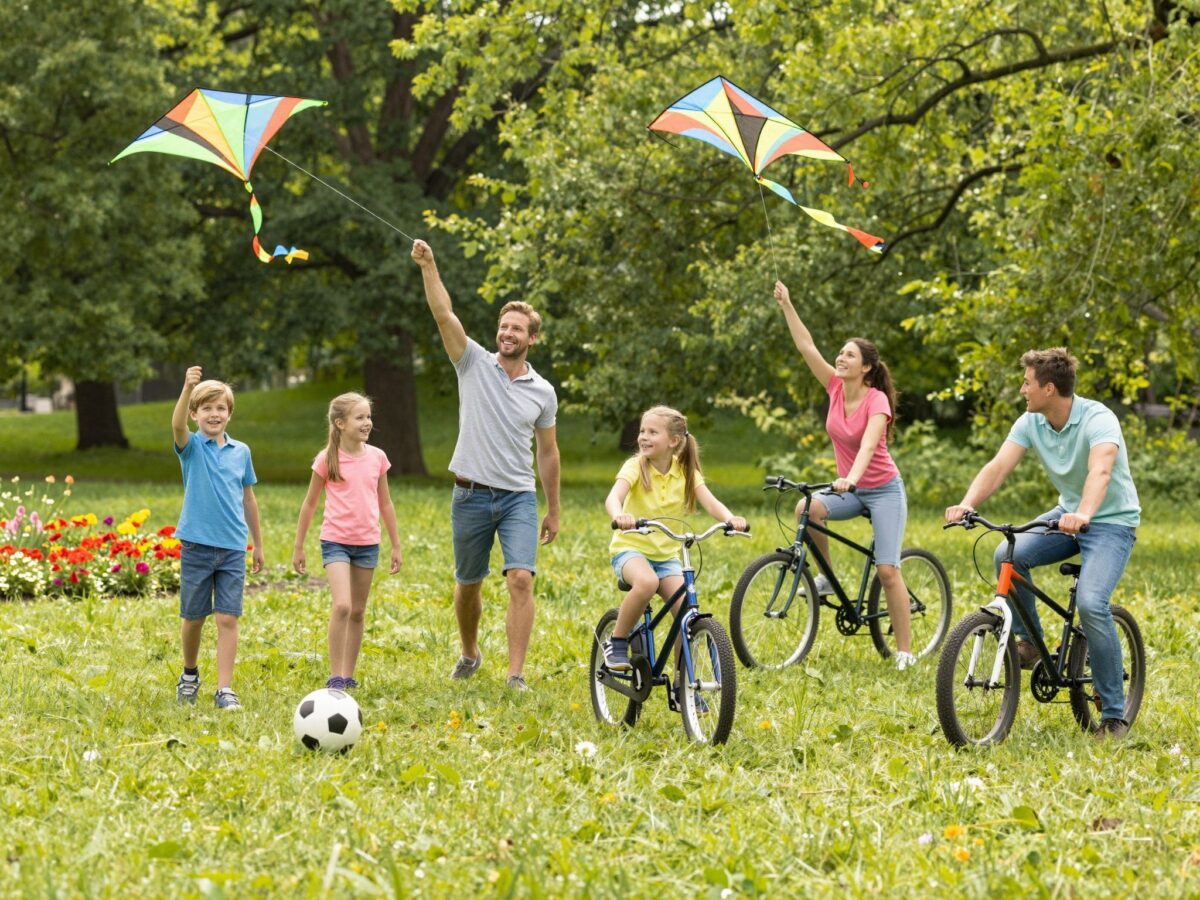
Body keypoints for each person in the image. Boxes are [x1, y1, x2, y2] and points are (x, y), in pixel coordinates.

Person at [945, 348, 1140, 741]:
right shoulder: (1032, 421)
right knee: (1007, 555)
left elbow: (1100, 469)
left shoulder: (1098, 418)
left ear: (1049, 388)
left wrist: (1083, 514)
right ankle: (1031, 644)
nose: (1022, 389)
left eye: (1027, 383)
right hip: (1067, 514)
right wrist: (968, 503)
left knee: (1090, 603)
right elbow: (998, 466)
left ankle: (1114, 714)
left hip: (1111, 522)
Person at [411, 238, 561, 692]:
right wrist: (429, 266)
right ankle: (470, 653)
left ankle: (515, 675)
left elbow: (548, 452)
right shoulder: (471, 362)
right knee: (468, 584)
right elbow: (444, 315)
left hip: (517, 498)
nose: (507, 333)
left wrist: (553, 508)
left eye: (517, 329)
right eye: (504, 326)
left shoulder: (543, 391)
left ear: (532, 338)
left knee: (520, 579)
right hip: (470, 494)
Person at [773, 280, 917, 670]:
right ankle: (825, 578)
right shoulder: (835, 388)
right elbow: (806, 347)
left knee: (888, 570)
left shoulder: (877, 399)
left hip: (882, 489)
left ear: (866, 367)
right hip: (850, 489)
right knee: (808, 508)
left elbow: (870, 445)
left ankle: (904, 650)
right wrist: (788, 304)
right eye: (840, 353)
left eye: (849, 355)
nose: (840, 358)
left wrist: (851, 478)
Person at [602, 406, 747, 700]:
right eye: (642, 431)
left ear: (674, 441)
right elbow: (613, 497)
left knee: (686, 613)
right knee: (646, 583)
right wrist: (620, 516)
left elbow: (710, 502)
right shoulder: (635, 466)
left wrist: (730, 519)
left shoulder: (685, 471)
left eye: (652, 432)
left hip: (666, 555)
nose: (643, 437)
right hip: (631, 548)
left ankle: (684, 682)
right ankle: (617, 641)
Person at [292, 392, 402, 691]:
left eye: (368, 417)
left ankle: (348, 676)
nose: (367, 423)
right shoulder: (327, 459)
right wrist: (299, 546)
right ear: (340, 423)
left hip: (368, 543)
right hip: (335, 541)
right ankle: (335, 676)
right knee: (342, 605)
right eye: (360, 417)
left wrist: (395, 545)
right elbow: (310, 504)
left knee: (358, 611)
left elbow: (386, 503)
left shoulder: (377, 457)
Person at [171, 366, 264, 709]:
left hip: (233, 547)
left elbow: (248, 498)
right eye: (206, 408)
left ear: (229, 414)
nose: (214, 414)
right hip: (196, 546)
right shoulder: (191, 446)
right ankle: (190, 673)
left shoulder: (241, 451)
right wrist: (186, 388)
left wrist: (258, 543)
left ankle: (225, 688)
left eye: (220, 408)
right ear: (195, 414)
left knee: (227, 617)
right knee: (194, 617)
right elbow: (177, 425)